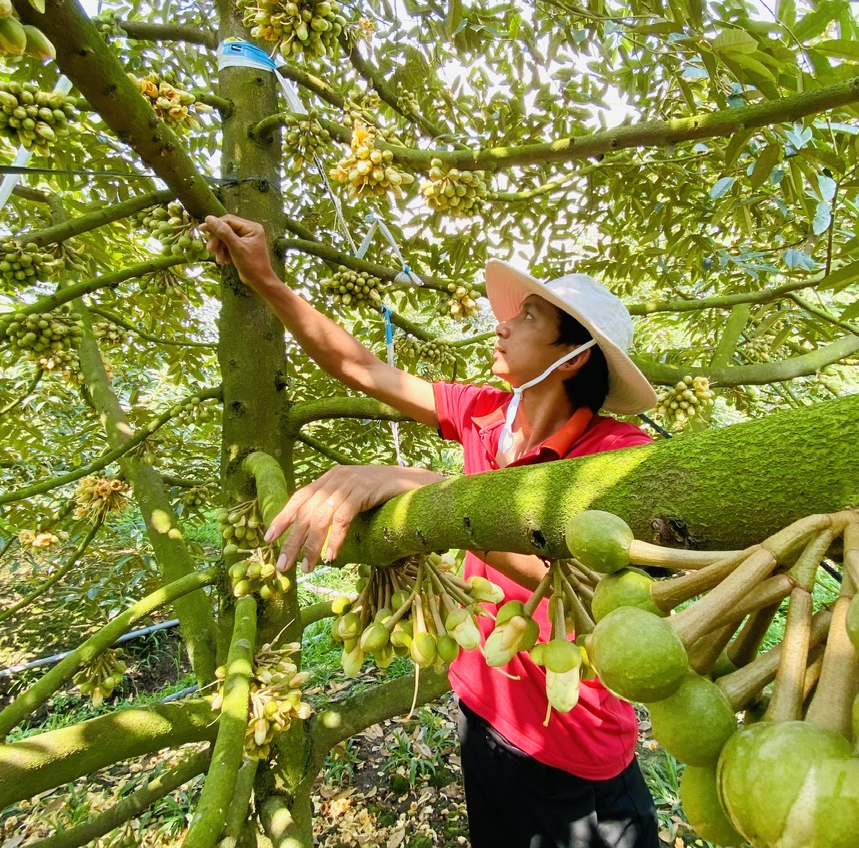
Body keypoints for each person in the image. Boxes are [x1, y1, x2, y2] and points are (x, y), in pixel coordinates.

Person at [201, 214, 661, 848]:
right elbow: (362, 368)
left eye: (528, 317)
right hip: (481, 705)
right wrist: (267, 281)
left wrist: (433, 491)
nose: (501, 322)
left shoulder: (616, 454)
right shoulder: (486, 414)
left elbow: (588, 579)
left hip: (573, 749)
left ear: (573, 357)